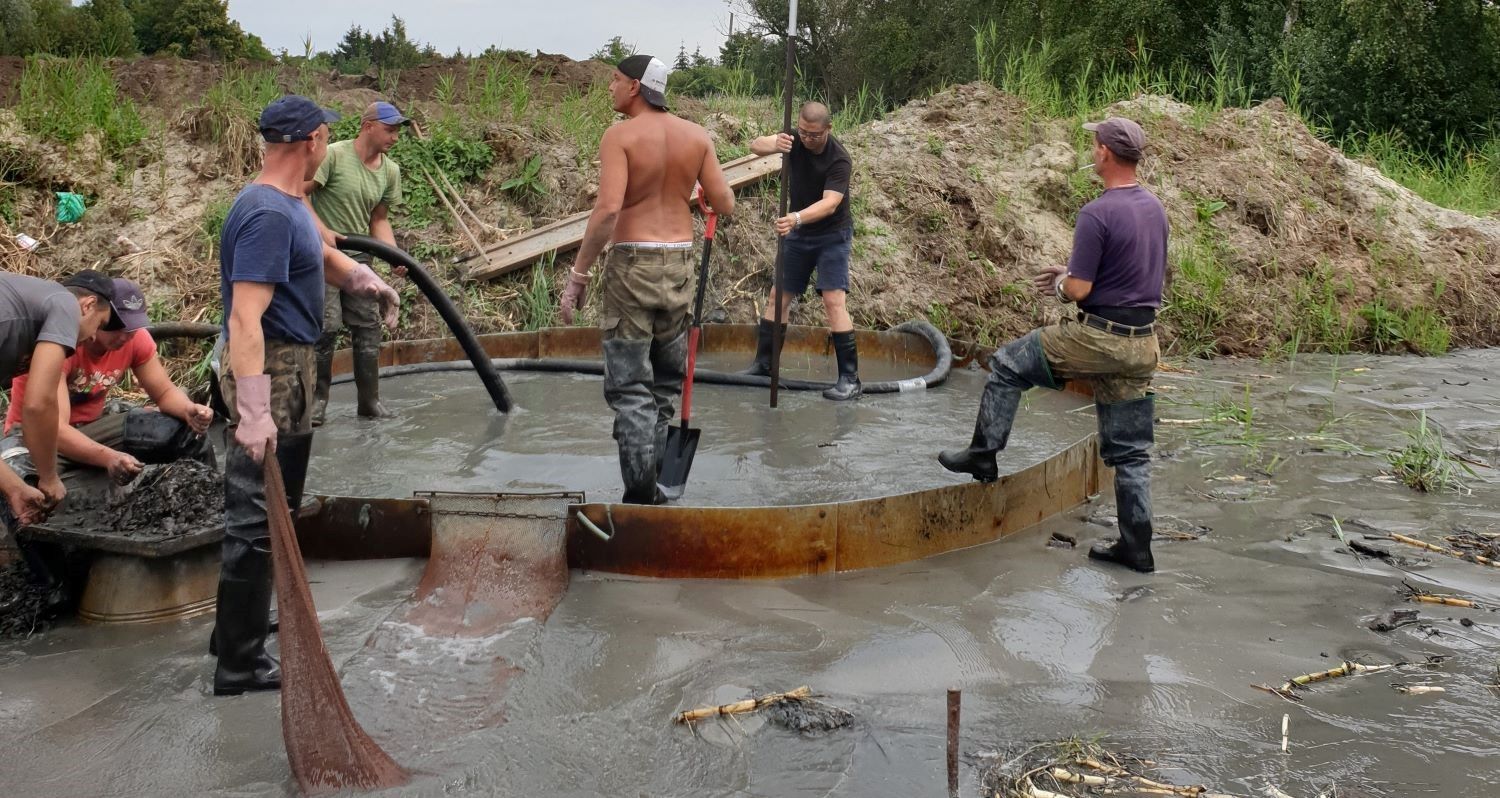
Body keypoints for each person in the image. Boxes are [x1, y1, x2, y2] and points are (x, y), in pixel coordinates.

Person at [212, 95, 400, 696]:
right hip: (271, 366)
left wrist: (360, 276)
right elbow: (246, 320)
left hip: (288, 366)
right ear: (312, 141)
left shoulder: (287, 202)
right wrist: (254, 411)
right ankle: (238, 666)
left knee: (274, 510)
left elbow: (316, 254)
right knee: (258, 517)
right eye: (326, 137)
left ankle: (235, 631)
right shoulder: (267, 213)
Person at [937, 117, 1167, 573]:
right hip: (1142, 343)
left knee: (1006, 365)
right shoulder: (1154, 207)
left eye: (1095, 143)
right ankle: (1137, 549)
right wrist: (1075, 271)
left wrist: (1062, 283)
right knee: (1130, 452)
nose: (1093, 149)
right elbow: (1131, 268)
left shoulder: (1096, 212)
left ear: (1104, 153)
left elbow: (1079, 290)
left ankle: (982, 457)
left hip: (1098, 338)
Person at [557, 55, 734, 504]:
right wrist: (697, 194)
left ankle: (639, 499)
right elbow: (724, 203)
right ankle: (654, 483)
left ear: (635, 86)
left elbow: (609, 210)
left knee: (631, 386)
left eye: (615, 80)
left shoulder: (620, 136)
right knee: (664, 383)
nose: (610, 88)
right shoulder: (696, 137)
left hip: (632, 265)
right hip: (678, 264)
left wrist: (578, 274)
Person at [3, 278, 216, 485]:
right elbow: (54, 427)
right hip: (38, 435)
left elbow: (164, 392)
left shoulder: (136, 339)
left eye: (132, 328)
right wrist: (107, 457)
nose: (125, 336)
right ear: (95, 315)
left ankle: (213, 498)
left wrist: (188, 408)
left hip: (92, 426)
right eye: (117, 327)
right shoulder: (61, 339)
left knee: (184, 433)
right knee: (22, 486)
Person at [744, 102, 861, 401]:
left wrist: (795, 218)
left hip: (832, 235)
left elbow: (830, 203)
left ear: (828, 129)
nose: (807, 139)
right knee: (777, 295)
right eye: (803, 133)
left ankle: (850, 378)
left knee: (834, 300)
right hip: (799, 234)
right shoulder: (794, 139)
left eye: (814, 135)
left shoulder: (839, 159)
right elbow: (755, 146)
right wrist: (774, 143)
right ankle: (765, 364)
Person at [306, 101, 409, 423]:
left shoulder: (390, 171)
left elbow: (379, 220)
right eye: (389, 130)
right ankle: (317, 403)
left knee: (368, 327)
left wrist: (393, 255)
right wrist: (322, 234)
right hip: (323, 260)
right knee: (326, 326)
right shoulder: (334, 155)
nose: (394, 137)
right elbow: (300, 194)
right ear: (368, 126)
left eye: (397, 132)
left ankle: (370, 403)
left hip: (359, 261)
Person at [0, 270, 116, 526]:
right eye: (100, 324)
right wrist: (49, 476)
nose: (95, 336)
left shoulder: (23, 319)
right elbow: (38, 404)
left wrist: (14, 488)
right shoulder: (63, 303)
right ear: (87, 306)